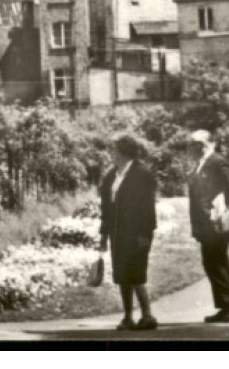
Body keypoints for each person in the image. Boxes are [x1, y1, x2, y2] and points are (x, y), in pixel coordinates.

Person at [99, 133, 159, 331]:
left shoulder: (142, 173)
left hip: (137, 233)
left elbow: (148, 207)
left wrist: (145, 234)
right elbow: (106, 209)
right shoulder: (111, 175)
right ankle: (128, 317)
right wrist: (103, 236)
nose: (111, 153)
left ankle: (147, 315)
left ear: (124, 151)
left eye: (114, 149)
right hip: (118, 233)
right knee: (122, 274)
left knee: (136, 273)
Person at [186, 129, 229, 323]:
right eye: (193, 144)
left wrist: (226, 209)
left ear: (208, 144)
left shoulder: (217, 161)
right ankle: (226, 305)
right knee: (214, 262)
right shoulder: (201, 163)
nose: (195, 147)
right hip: (205, 222)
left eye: (198, 143)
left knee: (214, 262)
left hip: (216, 221)